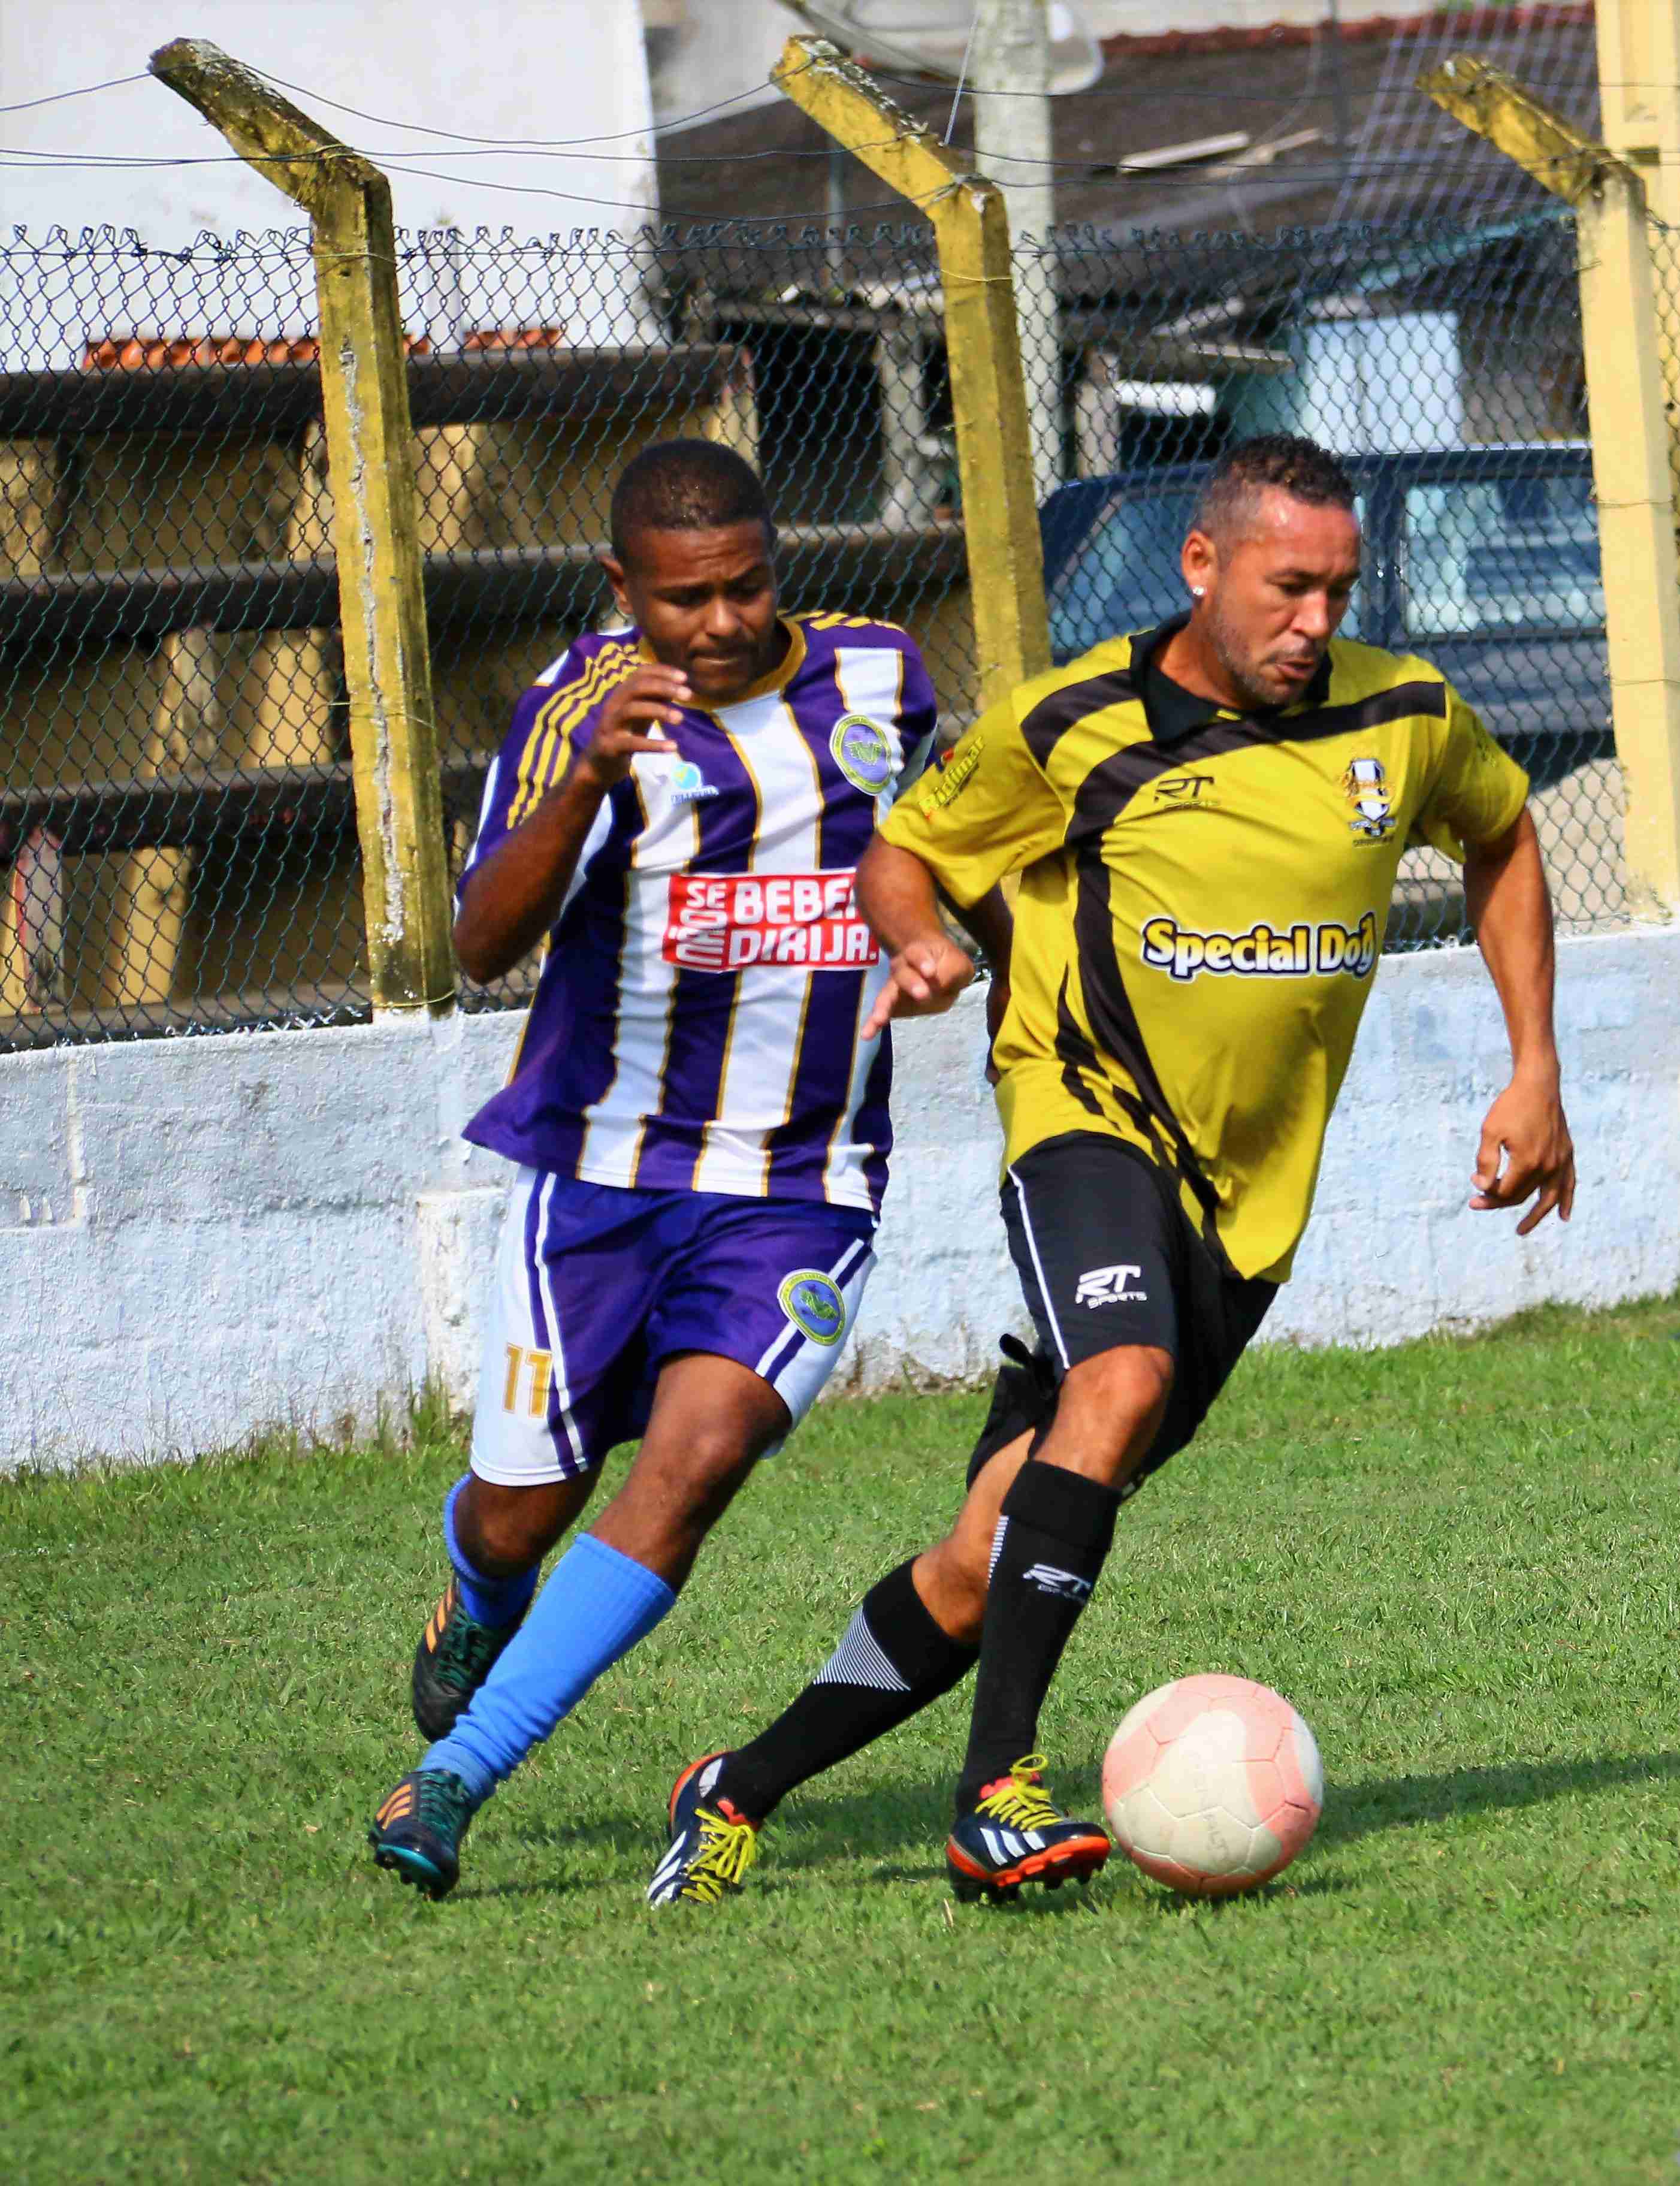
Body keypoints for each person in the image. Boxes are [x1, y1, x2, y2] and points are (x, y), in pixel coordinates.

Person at [646, 433, 1575, 1909]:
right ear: (1201, 566)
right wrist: (922, 940)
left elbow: (1505, 829)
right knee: (1121, 1378)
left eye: (1339, 590)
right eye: (1287, 587)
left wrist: (1535, 1066)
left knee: (984, 1555)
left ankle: (738, 1785)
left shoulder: (1404, 714)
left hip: (1246, 1211)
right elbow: (909, 848)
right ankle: (995, 1794)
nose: (1315, 624)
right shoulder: (1073, 719)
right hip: (1081, 1113)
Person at [367, 439, 938, 1899]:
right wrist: (583, 788)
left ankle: (451, 1782)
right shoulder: (575, 708)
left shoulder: (885, 684)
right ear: (625, 589)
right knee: (520, 1510)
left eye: (748, 586)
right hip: (603, 1180)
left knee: (693, 1468)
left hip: (805, 1183)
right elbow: (482, 940)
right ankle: (481, 1594)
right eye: (686, 600)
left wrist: (941, 939)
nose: (726, 622)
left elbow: (947, 851)